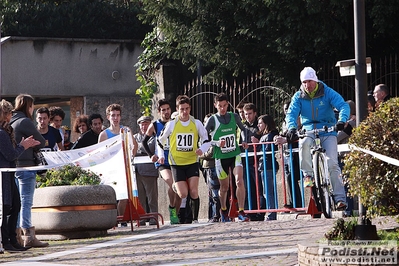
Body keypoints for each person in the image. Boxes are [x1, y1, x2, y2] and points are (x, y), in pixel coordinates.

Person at [285, 67, 349, 211]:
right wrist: (291, 127)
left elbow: (343, 105)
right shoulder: (298, 96)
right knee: (304, 143)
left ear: (315, 80)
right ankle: (308, 175)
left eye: (309, 81)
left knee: (333, 163)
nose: (307, 85)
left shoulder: (327, 92)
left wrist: (341, 120)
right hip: (308, 129)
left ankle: (340, 199)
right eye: (304, 82)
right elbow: (291, 113)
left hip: (328, 129)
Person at [157, 95, 211, 224]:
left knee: (193, 191)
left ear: (190, 108)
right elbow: (160, 141)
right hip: (177, 163)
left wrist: (202, 149)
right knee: (183, 194)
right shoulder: (172, 124)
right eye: (182, 109)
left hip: (192, 161)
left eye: (187, 108)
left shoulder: (196, 123)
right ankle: (176, 188)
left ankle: (195, 219)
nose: (185, 112)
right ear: (177, 109)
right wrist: (161, 155)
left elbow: (207, 140)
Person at [0, 99, 41, 252]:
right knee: (6, 208)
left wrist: (22, 146)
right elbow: (10, 155)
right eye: (9, 113)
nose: (11, 116)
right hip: (3, 177)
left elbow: (12, 153)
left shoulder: (7, 131)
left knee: (15, 205)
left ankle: (13, 239)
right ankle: (7, 241)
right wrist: (23, 147)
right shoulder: (2, 133)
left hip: (9, 174)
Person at [204, 93, 250, 222]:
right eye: (220, 106)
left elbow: (243, 129)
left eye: (224, 106)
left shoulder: (234, 116)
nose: (222, 109)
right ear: (215, 105)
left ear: (228, 104)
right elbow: (203, 136)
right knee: (224, 187)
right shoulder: (212, 120)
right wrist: (216, 143)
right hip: (220, 157)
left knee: (239, 181)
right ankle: (223, 209)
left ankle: (241, 211)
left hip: (234, 154)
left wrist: (244, 140)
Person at [10, 94, 48, 248]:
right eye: (32, 106)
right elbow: (42, 141)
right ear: (28, 106)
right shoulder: (25, 121)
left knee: (17, 203)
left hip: (14, 165)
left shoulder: (11, 121)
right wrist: (32, 144)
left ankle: (17, 235)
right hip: (26, 165)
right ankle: (28, 236)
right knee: (26, 202)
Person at [142, 99, 181, 224]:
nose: (166, 112)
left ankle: (175, 211)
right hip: (162, 162)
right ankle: (172, 210)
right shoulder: (155, 125)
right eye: (163, 110)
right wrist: (151, 155)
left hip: (176, 160)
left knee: (178, 188)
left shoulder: (176, 122)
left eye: (168, 109)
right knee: (173, 184)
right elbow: (144, 142)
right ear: (159, 112)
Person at [98, 104, 137, 223]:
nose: (116, 118)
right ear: (108, 117)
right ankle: (113, 219)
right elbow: (100, 153)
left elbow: (134, 145)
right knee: (112, 196)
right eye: (113, 115)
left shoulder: (126, 130)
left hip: (124, 167)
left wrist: (131, 157)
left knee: (124, 196)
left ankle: (122, 221)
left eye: (118, 115)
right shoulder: (104, 134)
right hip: (111, 170)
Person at [274, 101, 303, 209]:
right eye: (285, 109)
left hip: (299, 152)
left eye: (288, 108)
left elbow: (298, 133)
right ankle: (295, 202)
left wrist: (286, 138)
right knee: (289, 177)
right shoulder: (285, 122)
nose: (286, 111)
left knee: (306, 178)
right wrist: (277, 137)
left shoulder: (299, 118)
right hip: (287, 153)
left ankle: (310, 203)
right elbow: (284, 133)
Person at [134, 116, 159, 226]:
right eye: (142, 124)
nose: (144, 126)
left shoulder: (155, 138)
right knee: (140, 197)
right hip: (137, 171)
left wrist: (140, 147)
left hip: (149, 171)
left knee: (151, 197)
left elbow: (150, 149)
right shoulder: (134, 137)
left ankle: (154, 217)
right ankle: (142, 218)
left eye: (146, 124)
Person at [257, 114, 279, 220]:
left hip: (268, 164)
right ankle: (271, 212)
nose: (258, 125)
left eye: (261, 123)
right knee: (267, 191)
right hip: (263, 164)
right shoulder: (263, 135)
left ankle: (271, 213)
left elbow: (269, 147)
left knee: (268, 191)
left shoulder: (272, 134)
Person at [199, 113, 221, 223]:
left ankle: (217, 215)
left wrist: (199, 154)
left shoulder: (214, 134)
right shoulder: (203, 135)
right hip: (206, 167)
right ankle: (212, 215)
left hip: (213, 166)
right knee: (210, 193)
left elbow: (210, 153)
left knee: (215, 192)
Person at [337, 100, 356, 216]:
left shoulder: (351, 123)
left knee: (347, 184)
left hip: (346, 156)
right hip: (342, 155)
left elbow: (337, 137)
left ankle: (349, 209)